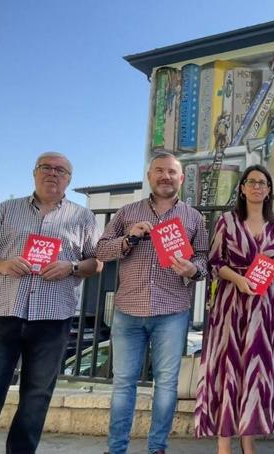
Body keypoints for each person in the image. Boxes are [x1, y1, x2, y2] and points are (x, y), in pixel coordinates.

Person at [0, 151, 101, 453]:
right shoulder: (7, 210)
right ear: (34, 173)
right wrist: (2, 265)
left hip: (53, 320)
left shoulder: (82, 216)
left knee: (36, 399)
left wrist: (70, 267)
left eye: (61, 170)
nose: (53, 173)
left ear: (69, 180)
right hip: (3, 314)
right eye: (46, 167)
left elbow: (96, 264)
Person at [96, 151, 208, 454]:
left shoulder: (194, 217)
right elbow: (102, 252)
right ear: (149, 176)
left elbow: (204, 260)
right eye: (159, 170)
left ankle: (157, 447)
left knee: (167, 385)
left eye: (172, 172)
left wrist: (193, 269)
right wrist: (128, 239)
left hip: (171, 311)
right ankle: (116, 449)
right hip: (128, 310)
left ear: (181, 178)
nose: (165, 176)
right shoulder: (127, 212)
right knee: (123, 384)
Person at [194, 164, 274, 454]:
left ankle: (248, 442)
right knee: (228, 370)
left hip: (264, 310)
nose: (258, 187)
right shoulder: (226, 221)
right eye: (252, 182)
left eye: (263, 182)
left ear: (270, 190)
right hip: (231, 306)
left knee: (254, 373)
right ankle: (224, 444)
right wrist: (239, 279)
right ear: (242, 188)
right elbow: (214, 263)